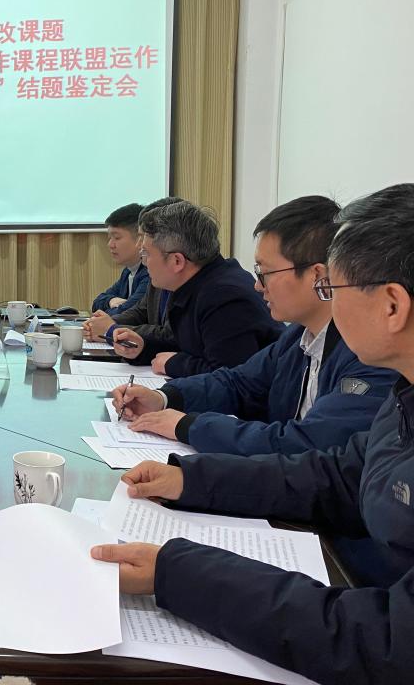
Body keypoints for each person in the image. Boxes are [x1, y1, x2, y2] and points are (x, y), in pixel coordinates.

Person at [91, 184, 414, 683]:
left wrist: (178, 573)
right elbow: (335, 475)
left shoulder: (377, 373)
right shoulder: (403, 394)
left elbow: (386, 640)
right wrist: (191, 480)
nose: (329, 299)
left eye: (336, 287)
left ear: (392, 305)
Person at [113, 195, 394, 455]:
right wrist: (164, 398)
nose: (258, 286)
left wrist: (188, 426)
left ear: (317, 275)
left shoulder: (369, 354)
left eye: (265, 272)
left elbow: (305, 444)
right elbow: (237, 382)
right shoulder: (299, 335)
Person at [111, 200, 282, 377]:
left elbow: (231, 378)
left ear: (177, 261)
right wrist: (143, 348)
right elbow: (191, 346)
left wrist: (174, 364)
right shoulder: (194, 284)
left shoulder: (225, 298)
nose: (144, 262)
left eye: (146, 253)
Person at [85, 197, 182, 347]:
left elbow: (170, 335)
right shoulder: (141, 273)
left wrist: (110, 329)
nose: (139, 245)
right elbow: (139, 311)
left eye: (142, 237)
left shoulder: (199, 284)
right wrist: (104, 323)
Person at [90, 203, 150, 315]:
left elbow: (127, 312)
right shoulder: (128, 271)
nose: (110, 245)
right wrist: (111, 300)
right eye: (110, 238)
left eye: (117, 238)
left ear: (140, 238)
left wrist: (105, 313)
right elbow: (97, 303)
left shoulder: (149, 273)